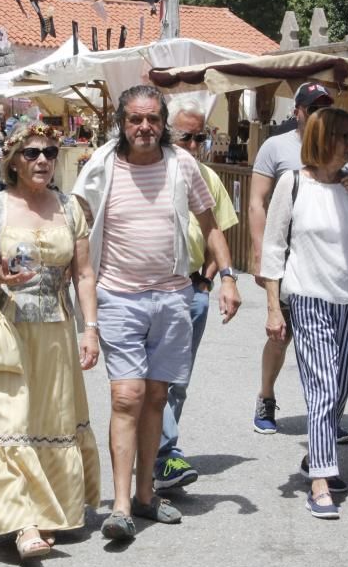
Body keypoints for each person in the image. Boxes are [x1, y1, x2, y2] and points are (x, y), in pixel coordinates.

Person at [72, 85, 242, 540]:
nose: (144, 127)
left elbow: (210, 225)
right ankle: (122, 505)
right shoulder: (101, 167)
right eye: (135, 120)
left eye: (151, 119)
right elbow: (76, 225)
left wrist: (227, 276)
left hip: (172, 297)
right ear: (122, 124)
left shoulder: (183, 165)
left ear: (162, 123)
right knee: (126, 396)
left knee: (155, 397)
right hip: (118, 297)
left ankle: (146, 495)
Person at [0, 122, 102, 561]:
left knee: (50, 418)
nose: (43, 160)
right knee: (8, 422)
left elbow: (84, 274)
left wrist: (90, 328)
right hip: (4, 326)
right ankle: (22, 522)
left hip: (55, 327)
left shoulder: (70, 207)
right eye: (33, 152)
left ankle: (47, 510)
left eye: (50, 152)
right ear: (14, 160)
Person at [261, 108, 348, 519]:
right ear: (322, 139)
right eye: (345, 136)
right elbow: (273, 249)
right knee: (323, 387)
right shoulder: (292, 183)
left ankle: (316, 457)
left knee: (340, 386)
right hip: (309, 296)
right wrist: (275, 308)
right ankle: (321, 480)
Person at [248, 82, 348, 440]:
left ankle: (324, 417)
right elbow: (257, 203)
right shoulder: (276, 147)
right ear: (298, 111)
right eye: (312, 108)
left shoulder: (342, 147)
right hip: (290, 258)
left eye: (324, 106)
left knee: (330, 348)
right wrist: (260, 253)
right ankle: (266, 396)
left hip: (324, 266)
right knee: (281, 335)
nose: (318, 113)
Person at [154, 98, 239, 490]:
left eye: (200, 137)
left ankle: (160, 454)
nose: (194, 145)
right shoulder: (148, 172)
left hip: (192, 289)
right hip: (149, 289)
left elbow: (217, 231)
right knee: (148, 379)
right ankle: (161, 452)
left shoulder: (208, 178)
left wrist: (213, 279)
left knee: (178, 380)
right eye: (186, 137)